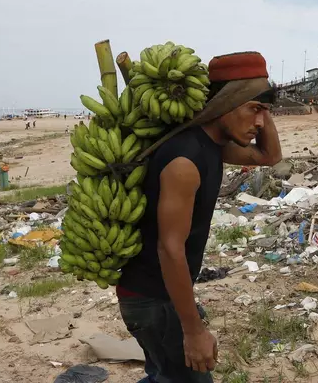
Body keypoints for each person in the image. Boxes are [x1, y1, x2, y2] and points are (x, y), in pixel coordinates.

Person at [117, 52, 282, 383]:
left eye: (265, 112)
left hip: (161, 294)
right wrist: (192, 331)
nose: (260, 122)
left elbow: (270, 155)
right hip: (151, 298)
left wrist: (262, 101)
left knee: (163, 375)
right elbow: (170, 248)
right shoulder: (185, 160)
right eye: (253, 109)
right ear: (224, 103)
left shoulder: (213, 144)